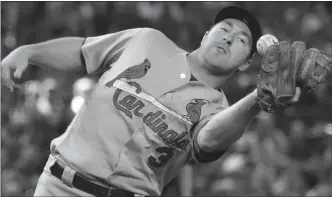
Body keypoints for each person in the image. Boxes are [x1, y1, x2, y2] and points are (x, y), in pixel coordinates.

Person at [1, 5, 302, 197]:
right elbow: (83, 51)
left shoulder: (221, 110)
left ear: (246, 64)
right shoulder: (147, 41)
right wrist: (31, 51)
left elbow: (207, 142)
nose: (227, 38)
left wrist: (257, 99)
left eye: (241, 40)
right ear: (206, 34)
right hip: (58, 187)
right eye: (224, 29)